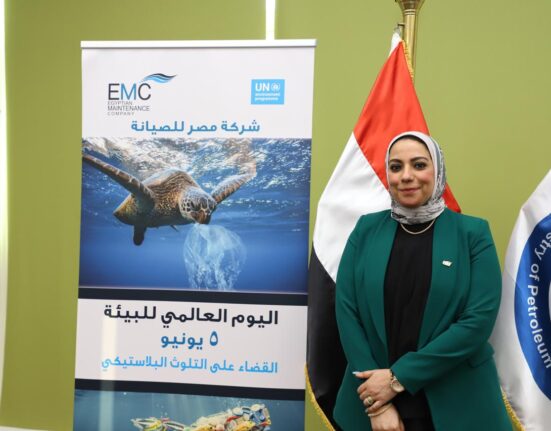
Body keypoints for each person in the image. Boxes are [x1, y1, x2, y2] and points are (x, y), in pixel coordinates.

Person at [333, 131, 512, 431]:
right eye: (396, 167)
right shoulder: (366, 230)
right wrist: (377, 403)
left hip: (458, 404)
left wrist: (397, 379)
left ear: (437, 170)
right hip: (375, 408)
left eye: (418, 165)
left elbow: (477, 322)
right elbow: (347, 312)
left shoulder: (472, 234)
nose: (406, 176)